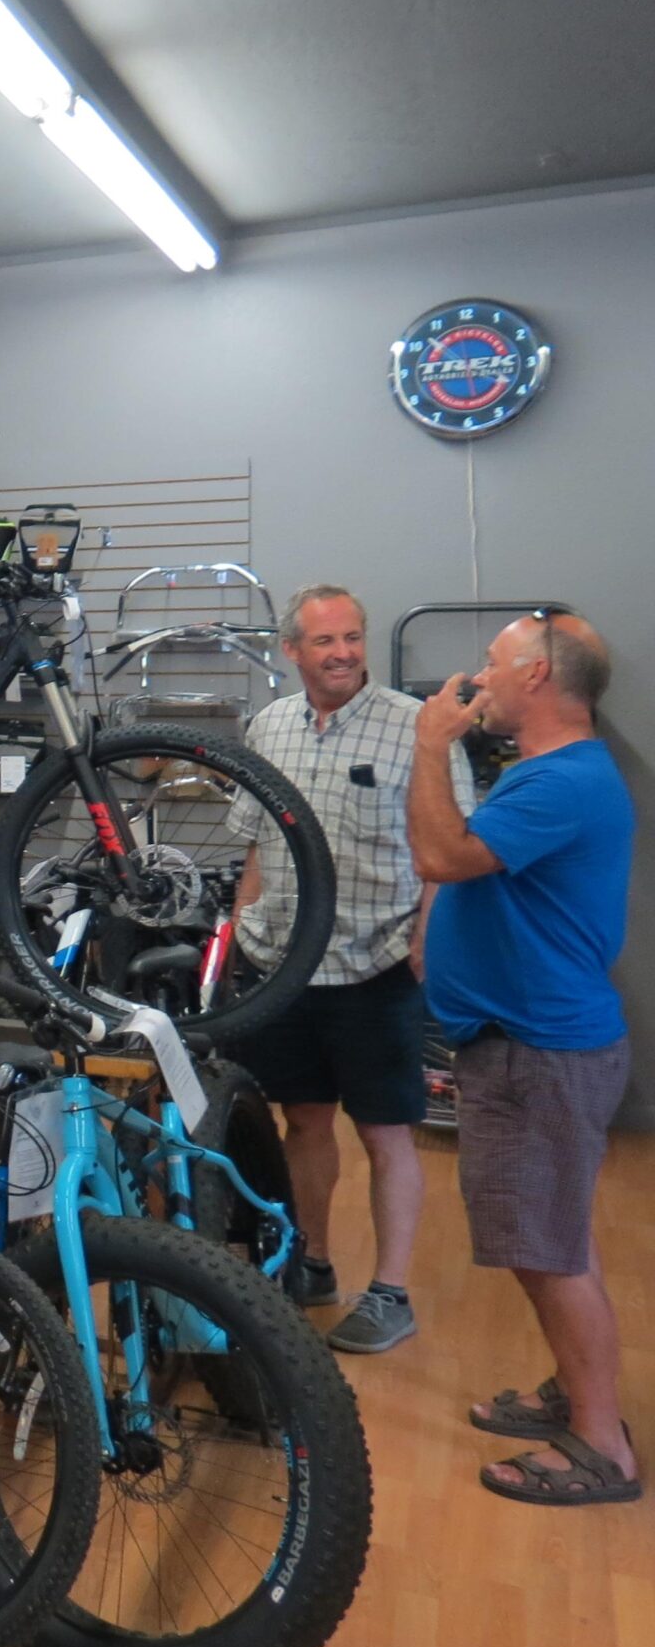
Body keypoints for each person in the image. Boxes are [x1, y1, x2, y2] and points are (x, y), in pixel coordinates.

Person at [411, 609, 638, 1506]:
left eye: (498, 663)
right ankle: (580, 1394)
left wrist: (430, 747)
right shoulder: (548, 772)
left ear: (540, 675)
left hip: (538, 1053)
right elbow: (466, 873)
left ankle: (600, 1445)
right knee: (553, 1238)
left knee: (550, 1252)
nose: (483, 679)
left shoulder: (563, 782)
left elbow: (441, 851)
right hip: (525, 1047)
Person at [227, 586, 471, 1353]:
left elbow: (448, 847)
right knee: (302, 1120)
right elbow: (258, 842)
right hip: (283, 965)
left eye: (353, 638)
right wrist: (242, 924)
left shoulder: (416, 730)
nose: (343, 654)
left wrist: (430, 939)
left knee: (386, 1131)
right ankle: (314, 1262)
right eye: (325, 641)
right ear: (290, 650)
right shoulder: (267, 727)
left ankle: (391, 1292)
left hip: (376, 965)